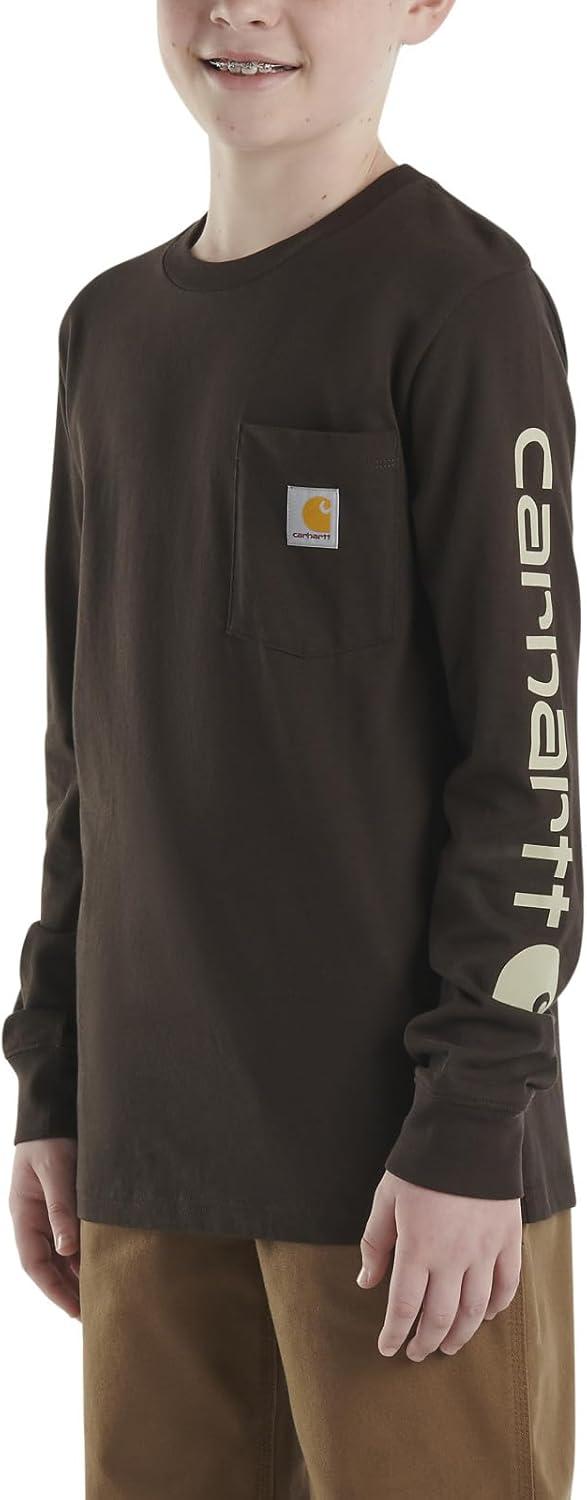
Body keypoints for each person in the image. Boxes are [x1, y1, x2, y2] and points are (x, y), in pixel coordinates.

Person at [3, 1, 582, 1495]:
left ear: (423, 4)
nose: (241, 7)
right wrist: (54, 1079)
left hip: (402, 1180)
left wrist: (475, 1117)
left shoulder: (461, 304)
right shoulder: (108, 331)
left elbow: (529, 758)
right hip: (147, 1155)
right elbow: (88, 755)